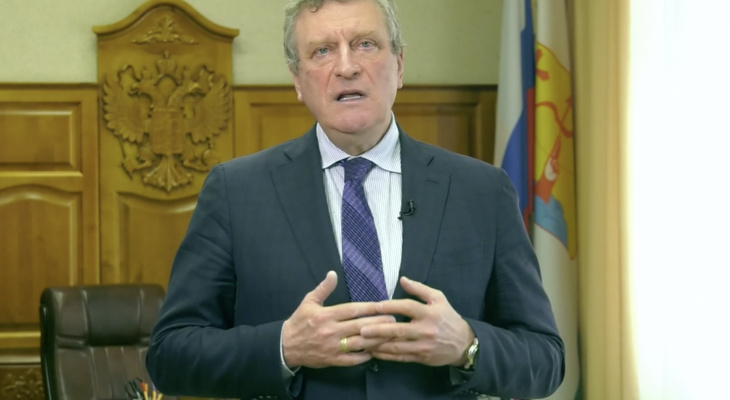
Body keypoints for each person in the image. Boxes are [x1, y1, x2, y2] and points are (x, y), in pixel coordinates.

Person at [146, 0, 565, 399]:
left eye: (365, 44)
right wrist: (285, 346)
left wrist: (467, 345)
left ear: (399, 64)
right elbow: (170, 355)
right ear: (297, 80)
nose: (346, 67)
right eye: (322, 51)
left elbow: (546, 359)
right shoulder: (236, 192)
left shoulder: (482, 191)